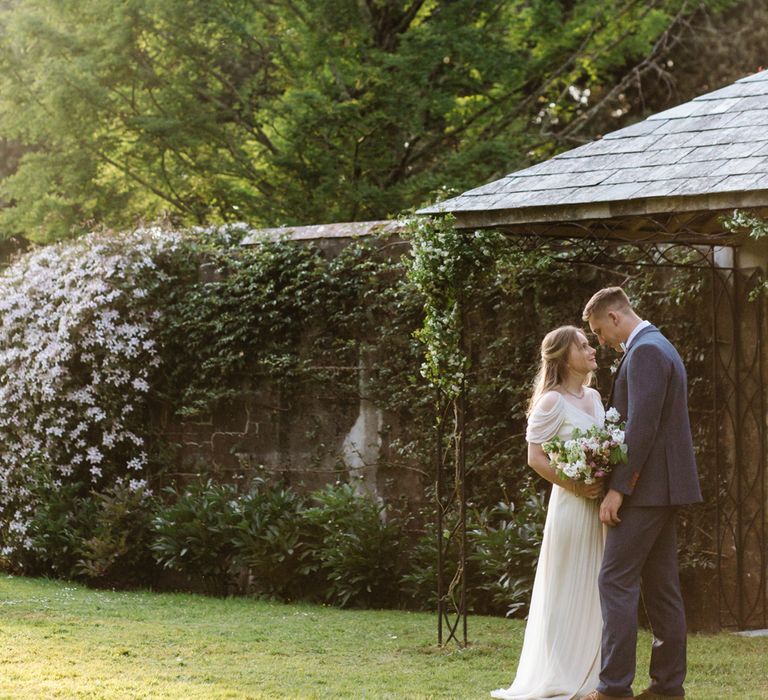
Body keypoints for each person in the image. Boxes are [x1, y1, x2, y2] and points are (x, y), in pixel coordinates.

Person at [581, 287, 702, 700]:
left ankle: (613, 688)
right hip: (663, 489)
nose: (600, 341)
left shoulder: (647, 351)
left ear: (614, 317)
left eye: (598, 331)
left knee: (615, 580)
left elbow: (643, 428)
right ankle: (667, 688)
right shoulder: (658, 345)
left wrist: (618, 489)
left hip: (646, 491)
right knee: (661, 587)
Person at [491, 325, 606, 700]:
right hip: (572, 505)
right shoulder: (551, 402)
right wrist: (576, 484)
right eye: (583, 346)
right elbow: (534, 456)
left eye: (590, 344)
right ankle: (561, 671)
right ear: (563, 357)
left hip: (600, 505)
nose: (591, 350)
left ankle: (595, 672)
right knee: (568, 584)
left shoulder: (595, 396)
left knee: (598, 587)